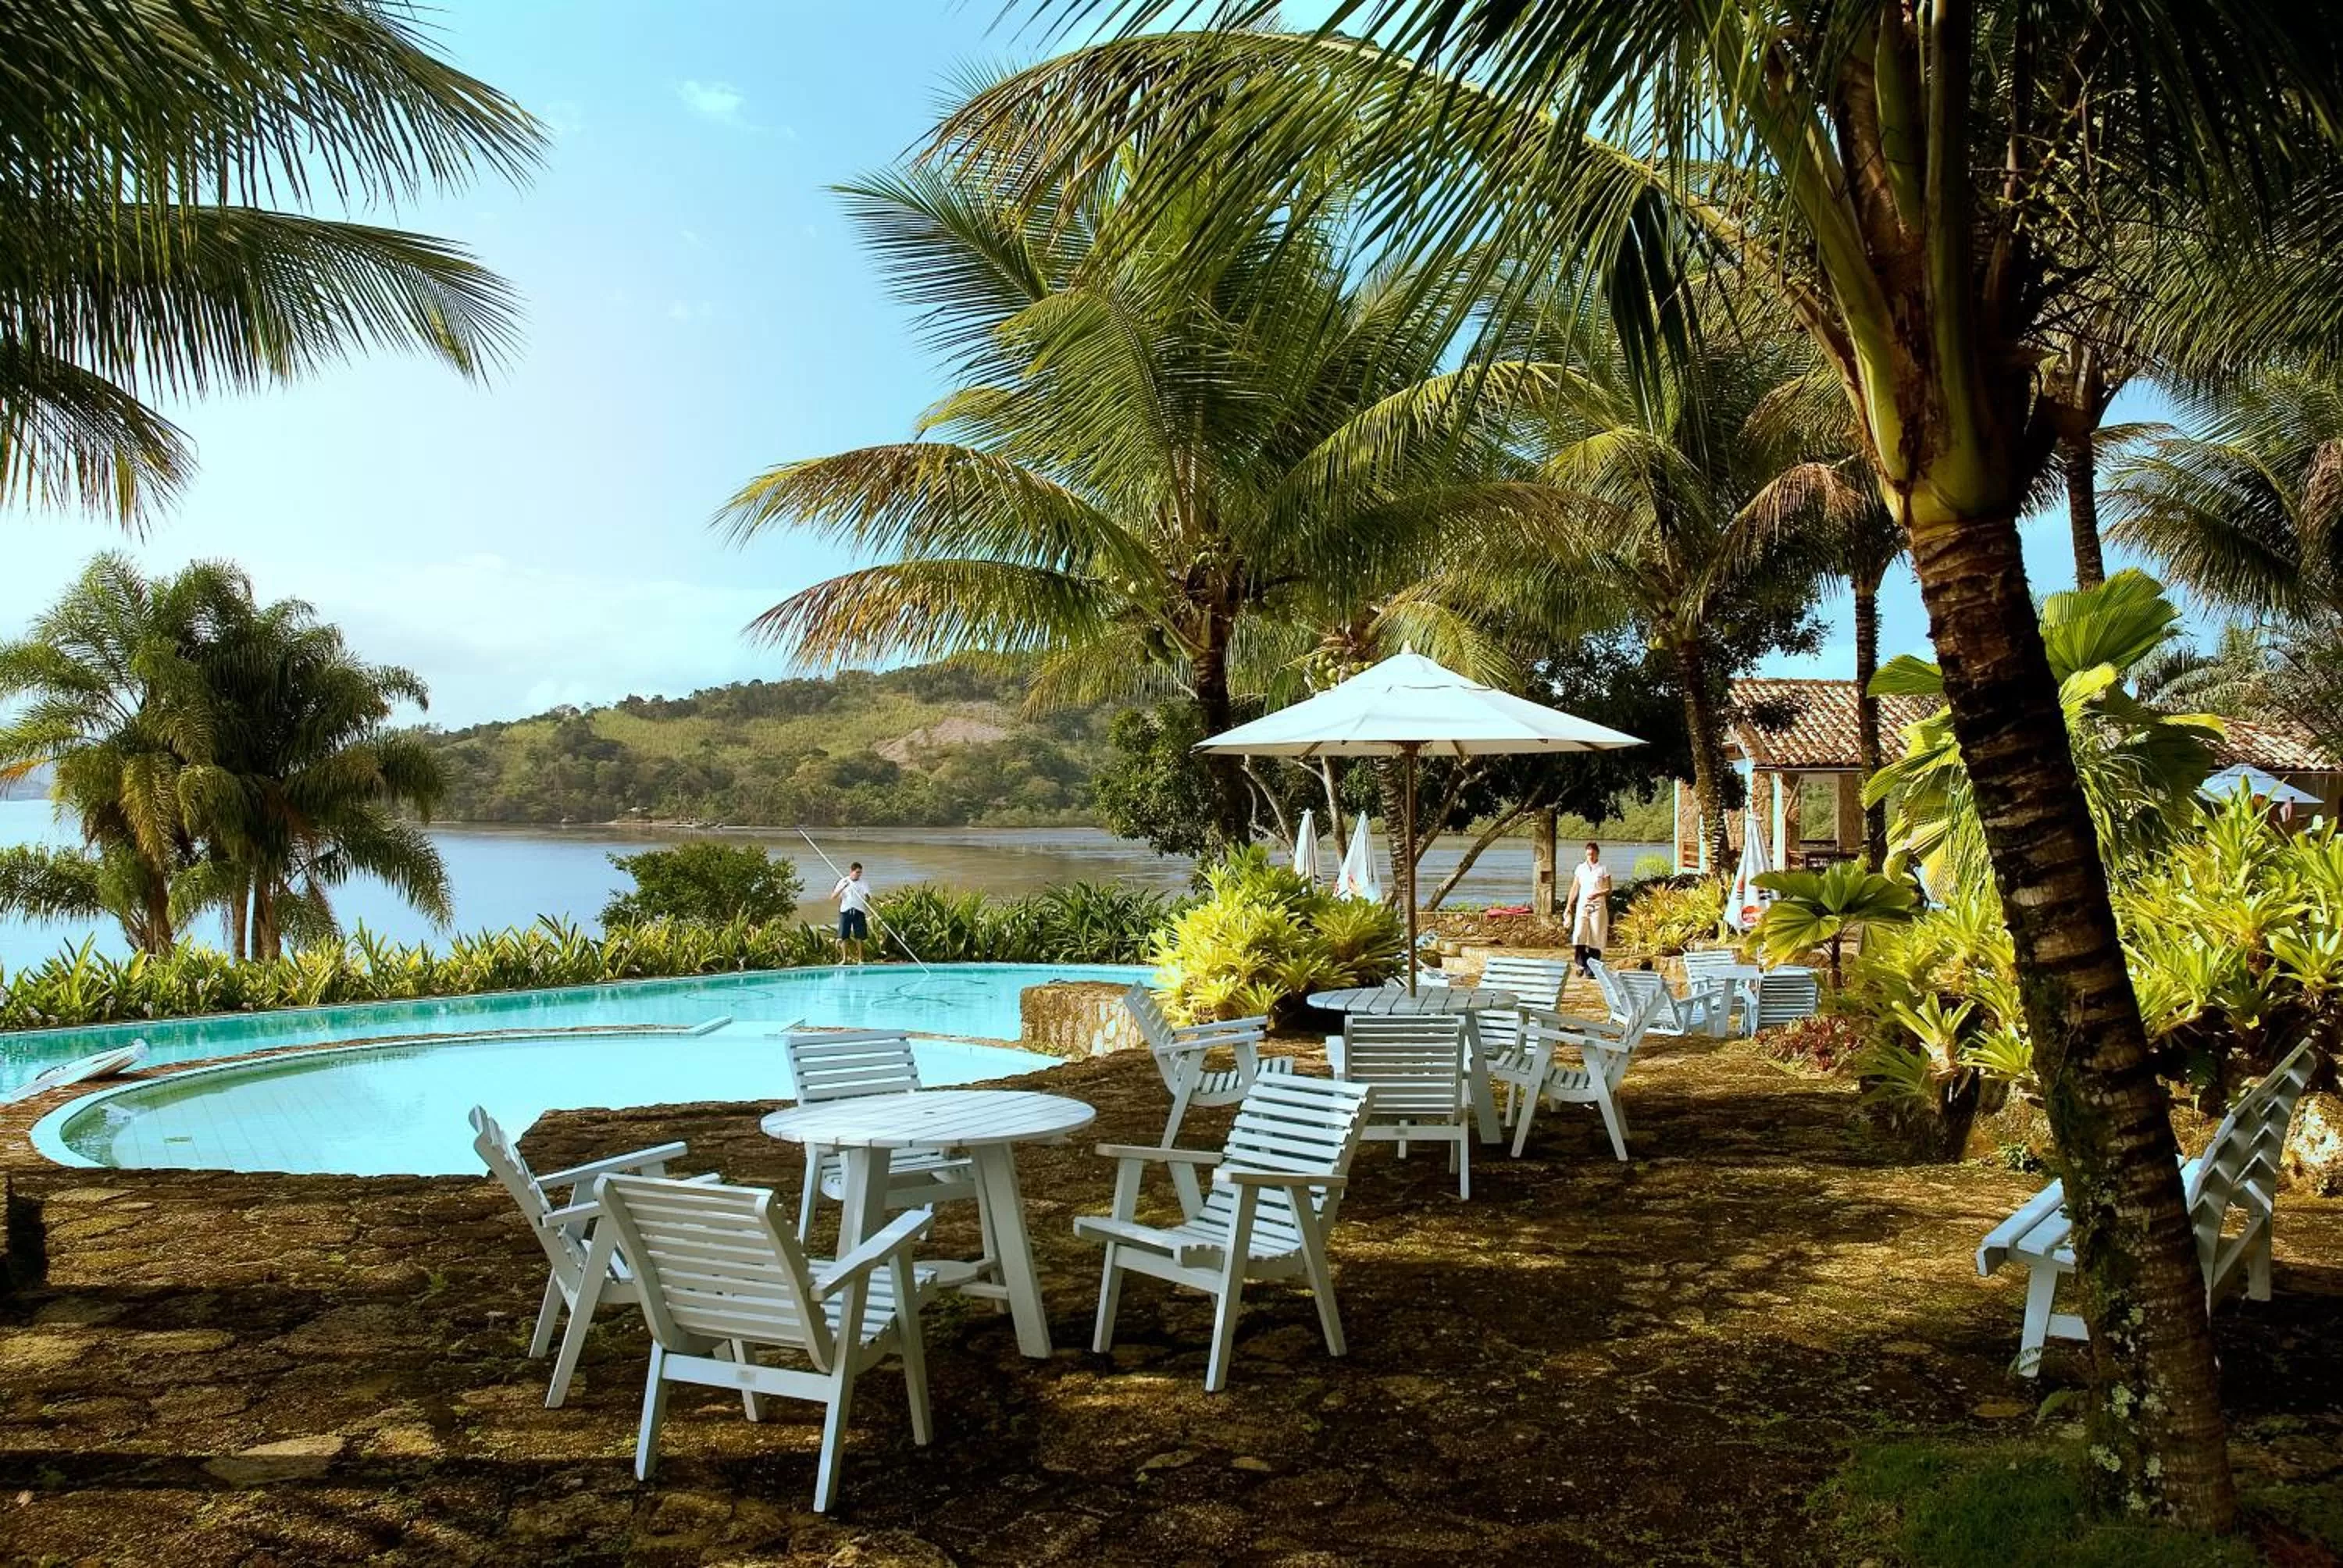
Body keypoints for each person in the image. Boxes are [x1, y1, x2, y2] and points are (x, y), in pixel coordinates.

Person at [1566, 841, 1611, 978]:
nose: (1590, 857)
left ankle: (1593, 966)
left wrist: (1598, 893)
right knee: (1579, 934)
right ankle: (1581, 963)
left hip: (1597, 905)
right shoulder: (1580, 868)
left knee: (1595, 935)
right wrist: (1569, 905)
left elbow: (1609, 889)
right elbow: (1575, 888)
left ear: (1597, 854)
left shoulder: (1603, 869)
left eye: (1592, 854)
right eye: (1588, 854)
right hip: (1583, 905)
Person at [833, 861, 872, 962]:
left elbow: (868, 897)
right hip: (845, 911)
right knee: (843, 936)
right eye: (857, 872)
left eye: (860, 873)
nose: (859, 875)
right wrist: (843, 888)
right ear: (852, 871)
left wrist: (867, 897)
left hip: (859, 911)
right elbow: (833, 897)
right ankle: (844, 959)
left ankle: (860, 959)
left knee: (859, 936)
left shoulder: (863, 883)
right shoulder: (843, 881)